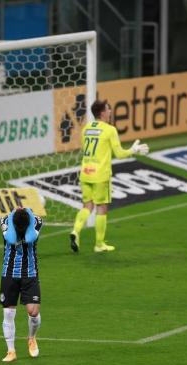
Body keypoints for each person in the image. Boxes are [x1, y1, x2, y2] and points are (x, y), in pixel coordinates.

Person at [70, 99, 149, 253]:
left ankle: (75, 231)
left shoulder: (86, 129)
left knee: (87, 206)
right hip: (100, 175)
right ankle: (99, 244)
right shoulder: (109, 130)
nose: (111, 111)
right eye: (108, 108)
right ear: (102, 112)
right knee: (102, 207)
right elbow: (119, 154)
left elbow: (84, 148)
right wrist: (134, 150)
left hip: (85, 172)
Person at [0, 207, 43, 362]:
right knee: (8, 313)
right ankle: (11, 351)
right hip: (9, 273)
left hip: (30, 273)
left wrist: (29, 212)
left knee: (33, 312)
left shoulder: (37, 221)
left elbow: (30, 238)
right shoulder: (5, 220)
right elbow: (11, 239)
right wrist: (12, 215)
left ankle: (31, 338)